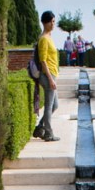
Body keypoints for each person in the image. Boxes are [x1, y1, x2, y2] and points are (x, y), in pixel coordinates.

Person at [37, 10, 60, 142]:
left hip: (52, 74)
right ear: (45, 23)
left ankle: (40, 127)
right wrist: (50, 79)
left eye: (54, 22)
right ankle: (48, 134)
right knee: (49, 106)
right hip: (47, 75)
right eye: (51, 22)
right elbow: (43, 61)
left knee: (55, 105)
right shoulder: (44, 39)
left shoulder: (48, 37)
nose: (53, 24)